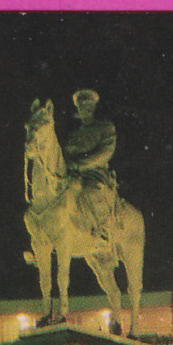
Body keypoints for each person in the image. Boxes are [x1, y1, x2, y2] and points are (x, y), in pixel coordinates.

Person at [64, 89, 118, 240]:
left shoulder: (105, 128)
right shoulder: (74, 134)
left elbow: (106, 152)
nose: (84, 111)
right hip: (72, 173)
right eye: (81, 108)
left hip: (95, 173)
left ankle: (103, 229)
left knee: (90, 191)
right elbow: (67, 153)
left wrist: (82, 164)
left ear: (93, 108)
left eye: (87, 107)